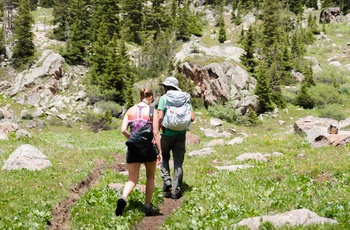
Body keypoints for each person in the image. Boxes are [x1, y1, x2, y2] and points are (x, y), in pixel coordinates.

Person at [116, 88, 162, 216]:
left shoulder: (130, 110)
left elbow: (123, 130)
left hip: (133, 148)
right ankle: (147, 206)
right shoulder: (153, 111)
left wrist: (132, 138)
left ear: (141, 96)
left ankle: (123, 198)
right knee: (150, 177)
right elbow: (156, 133)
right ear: (151, 97)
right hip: (148, 148)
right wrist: (160, 152)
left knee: (132, 179)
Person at [157, 76, 195, 199]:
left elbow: (160, 116)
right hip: (181, 135)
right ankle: (176, 190)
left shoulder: (164, 98)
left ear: (167, 87)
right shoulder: (185, 98)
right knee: (178, 162)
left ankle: (167, 180)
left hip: (166, 134)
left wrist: (158, 130)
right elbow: (192, 118)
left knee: (164, 157)